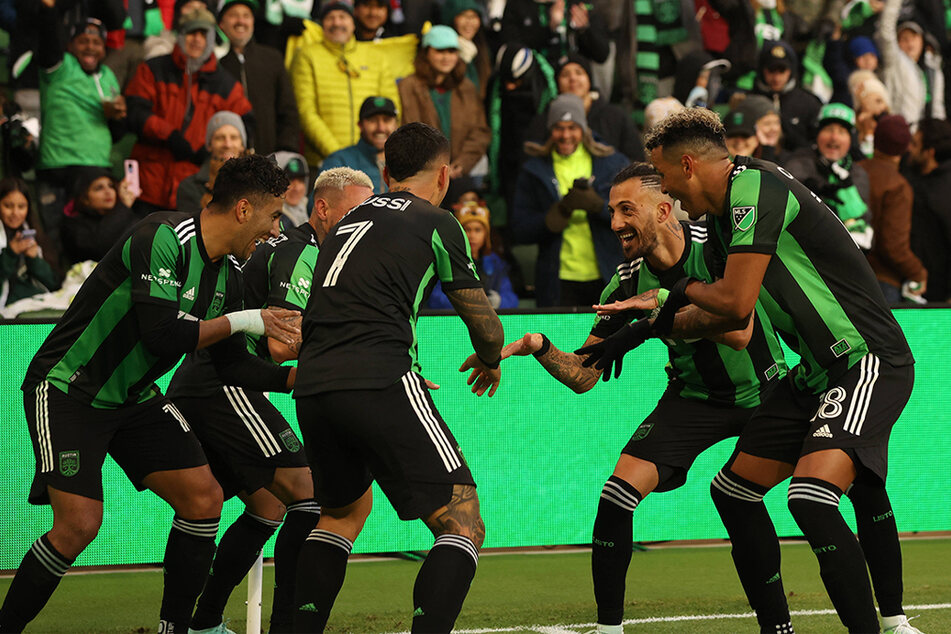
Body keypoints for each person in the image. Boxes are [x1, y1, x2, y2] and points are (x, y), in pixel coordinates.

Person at [580, 108, 921, 634]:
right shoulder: (719, 223)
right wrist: (648, 323)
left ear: (688, 165)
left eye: (666, 178)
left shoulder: (755, 188)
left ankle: (885, 623)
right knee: (734, 491)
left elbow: (736, 304)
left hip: (864, 359)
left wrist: (665, 300)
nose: (668, 193)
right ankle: (778, 629)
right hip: (813, 374)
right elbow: (715, 312)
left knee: (811, 496)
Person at [0, 155, 302, 634]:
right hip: (67, 389)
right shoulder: (161, 236)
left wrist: (299, 380)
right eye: (273, 216)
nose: (274, 230)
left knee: (204, 498)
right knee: (78, 525)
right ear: (244, 210)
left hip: (135, 396)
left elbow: (231, 366)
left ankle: (177, 629)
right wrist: (250, 320)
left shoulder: (229, 275)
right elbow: (162, 335)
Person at [500, 162, 790, 634]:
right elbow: (583, 375)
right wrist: (539, 346)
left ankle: (782, 625)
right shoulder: (626, 280)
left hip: (767, 391)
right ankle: (609, 629)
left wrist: (654, 308)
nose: (614, 223)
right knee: (616, 496)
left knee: (748, 499)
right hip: (694, 398)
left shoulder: (718, 249)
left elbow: (739, 333)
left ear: (664, 208)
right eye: (612, 211)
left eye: (626, 210)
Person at [292, 122, 504, 633]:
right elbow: (487, 329)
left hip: (313, 386)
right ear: (446, 175)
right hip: (381, 377)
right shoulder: (437, 221)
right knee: (463, 524)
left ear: (385, 172)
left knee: (340, 517)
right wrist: (490, 358)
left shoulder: (350, 217)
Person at [166, 167, 374, 634]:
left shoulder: (320, 255)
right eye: (356, 211)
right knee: (308, 496)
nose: (366, 222)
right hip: (220, 384)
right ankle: (285, 627)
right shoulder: (303, 252)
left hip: (217, 382)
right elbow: (282, 344)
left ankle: (203, 622)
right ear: (322, 209)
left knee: (268, 507)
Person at [126, 6, 253, 213]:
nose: (197, 39)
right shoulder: (152, 69)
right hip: (150, 183)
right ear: (180, 36)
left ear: (211, 39)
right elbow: (135, 112)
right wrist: (169, 135)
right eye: (191, 32)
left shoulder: (225, 84)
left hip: (197, 189)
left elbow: (245, 124)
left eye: (203, 34)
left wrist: (210, 149)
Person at [510, 94, 627, 307]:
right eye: (558, 128)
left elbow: (634, 217)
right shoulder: (534, 170)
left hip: (608, 274)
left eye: (573, 127)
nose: (565, 135)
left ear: (584, 128)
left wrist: (599, 206)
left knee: (608, 340)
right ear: (549, 129)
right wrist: (554, 216)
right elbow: (520, 230)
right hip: (557, 279)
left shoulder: (612, 164)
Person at [35, 1, 126, 255]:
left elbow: (118, 134)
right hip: (59, 170)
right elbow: (48, 38)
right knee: (56, 246)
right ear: (70, 44)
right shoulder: (59, 66)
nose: (90, 47)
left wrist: (118, 116)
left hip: (96, 170)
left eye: (97, 43)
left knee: (93, 250)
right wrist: (49, 9)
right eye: (83, 41)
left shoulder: (107, 76)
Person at [290, 1, 400, 168]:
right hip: (326, 161)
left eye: (343, 17)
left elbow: (392, 108)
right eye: (330, 18)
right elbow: (306, 112)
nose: (337, 23)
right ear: (322, 24)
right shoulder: (307, 55)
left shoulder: (376, 56)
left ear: (353, 23)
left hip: (372, 159)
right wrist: (341, 155)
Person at [398, 25, 491, 181]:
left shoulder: (466, 87)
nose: (446, 57)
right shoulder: (408, 86)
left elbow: (480, 131)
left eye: (451, 51)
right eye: (440, 51)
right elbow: (406, 130)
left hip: (462, 173)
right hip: (420, 173)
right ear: (426, 52)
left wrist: (462, 164)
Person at [217, 0, 300, 156]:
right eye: (233, 15)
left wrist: (286, 150)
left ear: (253, 22)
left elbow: (288, 110)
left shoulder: (272, 58)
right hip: (231, 159)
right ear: (221, 24)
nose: (240, 21)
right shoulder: (217, 65)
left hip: (272, 157)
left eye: (246, 15)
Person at [785, 103, 873, 250]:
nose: (834, 137)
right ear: (817, 135)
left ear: (851, 140)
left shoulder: (858, 174)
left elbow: (864, 218)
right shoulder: (797, 163)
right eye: (828, 129)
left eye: (841, 132)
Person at [859, 114, 927, 304]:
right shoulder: (898, 186)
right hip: (882, 282)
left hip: (846, 274)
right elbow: (893, 247)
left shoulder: (854, 171)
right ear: (905, 148)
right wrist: (918, 272)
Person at [527, 53, 644, 163]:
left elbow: (636, 160)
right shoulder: (543, 120)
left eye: (579, 72)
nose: (573, 78)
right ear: (557, 83)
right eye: (565, 74)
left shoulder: (616, 116)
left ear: (589, 79)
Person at [428, 194, 519, 310]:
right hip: (452, 321)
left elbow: (511, 298)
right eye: (467, 229)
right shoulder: (446, 260)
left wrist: (499, 302)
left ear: (486, 234)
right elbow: (435, 298)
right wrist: (470, 304)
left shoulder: (496, 264)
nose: (472, 236)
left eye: (478, 230)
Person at [906, 117, 951, 303]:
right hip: (915, 283)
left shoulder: (942, 192)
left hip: (937, 294)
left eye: (915, 144)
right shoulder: (914, 174)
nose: (909, 148)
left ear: (929, 152)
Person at [751, 40, 822, 154]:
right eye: (771, 70)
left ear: (791, 71)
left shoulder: (809, 102)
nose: (776, 77)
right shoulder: (751, 102)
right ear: (762, 70)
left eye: (782, 71)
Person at [0, 177, 60, 308]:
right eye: (8, 206)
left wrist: (34, 259)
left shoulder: (36, 234)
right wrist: (11, 253)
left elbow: (53, 284)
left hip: (37, 301)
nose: (15, 213)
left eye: (21, 206)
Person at [320, 96, 398, 195]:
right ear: (360, 125)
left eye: (386, 120)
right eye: (373, 120)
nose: (381, 128)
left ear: (396, 125)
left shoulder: (407, 161)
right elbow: (317, 203)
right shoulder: (339, 162)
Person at [61, 167, 140, 264]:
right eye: (99, 188)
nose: (108, 191)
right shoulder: (73, 225)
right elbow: (100, 247)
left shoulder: (126, 214)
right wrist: (123, 207)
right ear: (84, 198)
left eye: (111, 186)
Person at [177, 111, 250, 213]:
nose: (227, 144)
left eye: (234, 138)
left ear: (242, 145)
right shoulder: (189, 187)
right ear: (209, 145)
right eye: (220, 138)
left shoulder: (255, 185)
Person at [272, 151, 311, 227]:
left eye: (301, 180)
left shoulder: (311, 208)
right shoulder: (274, 220)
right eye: (289, 180)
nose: (296, 188)